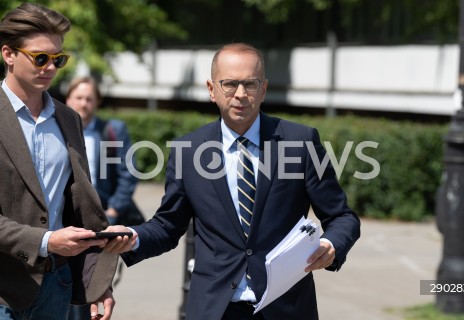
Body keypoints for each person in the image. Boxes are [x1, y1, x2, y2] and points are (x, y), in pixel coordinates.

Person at [106, 42, 361, 319]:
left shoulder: (300, 142)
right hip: (214, 309)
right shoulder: (188, 151)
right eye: (229, 84)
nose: (240, 94)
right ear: (211, 89)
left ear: (263, 90)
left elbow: (342, 217)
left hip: (285, 307)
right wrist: (133, 237)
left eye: (250, 84)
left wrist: (330, 245)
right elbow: (168, 225)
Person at [0, 3, 118, 320]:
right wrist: (46, 241)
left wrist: (99, 284)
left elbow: (82, 207)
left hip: (57, 285)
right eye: (40, 58)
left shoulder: (68, 119)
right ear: (8, 54)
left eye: (58, 59)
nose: (50, 67)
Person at [65, 77, 145, 320]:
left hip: (100, 223)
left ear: (97, 102)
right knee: (63, 284)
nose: (84, 103)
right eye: (78, 97)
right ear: (68, 99)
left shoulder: (112, 131)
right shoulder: (58, 128)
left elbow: (127, 174)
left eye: (89, 98)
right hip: (66, 222)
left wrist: (114, 212)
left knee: (93, 286)